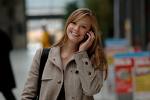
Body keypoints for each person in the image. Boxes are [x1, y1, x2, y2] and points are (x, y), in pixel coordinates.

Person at [21, 8, 108, 100]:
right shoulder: (42, 55)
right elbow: (27, 95)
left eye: (83, 27)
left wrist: (82, 55)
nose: (76, 29)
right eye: (74, 23)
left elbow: (91, 90)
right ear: (68, 23)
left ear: (90, 33)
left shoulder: (95, 59)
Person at [0, 29, 16, 100]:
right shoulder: (3, 34)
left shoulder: (2, 34)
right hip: (4, 70)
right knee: (7, 92)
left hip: (3, 70)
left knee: (7, 92)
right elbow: (10, 47)